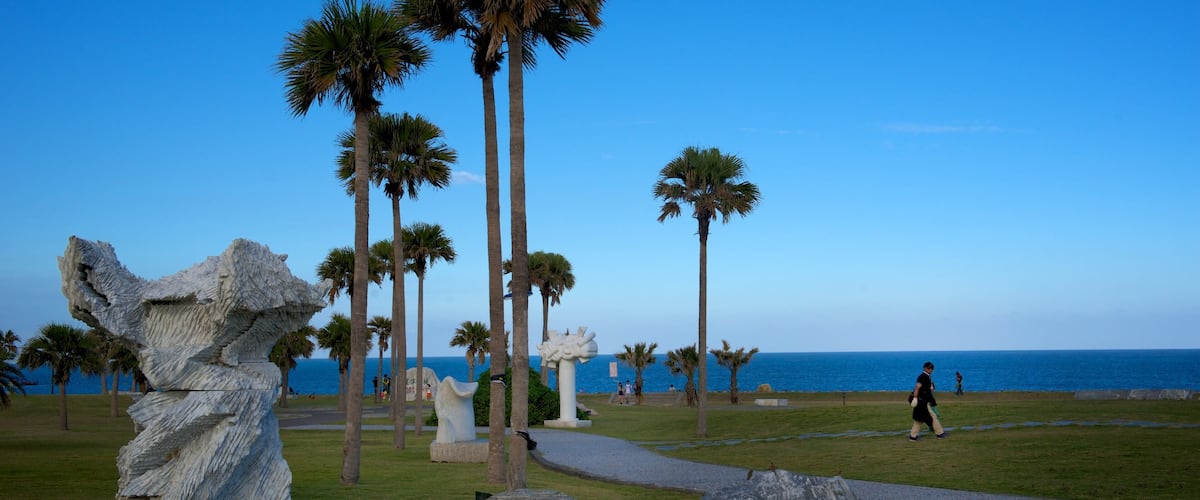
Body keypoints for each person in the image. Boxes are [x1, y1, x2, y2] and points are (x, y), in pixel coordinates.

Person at [909, 361, 946, 440]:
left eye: (932, 368)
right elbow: (917, 387)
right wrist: (915, 399)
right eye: (930, 368)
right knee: (932, 417)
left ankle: (913, 436)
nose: (932, 369)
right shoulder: (923, 377)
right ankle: (940, 434)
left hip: (922, 402)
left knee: (919, 419)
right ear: (925, 368)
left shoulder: (926, 376)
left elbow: (925, 390)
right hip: (922, 402)